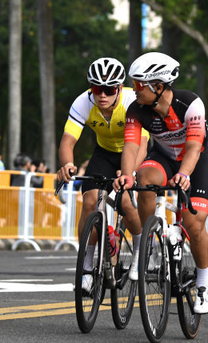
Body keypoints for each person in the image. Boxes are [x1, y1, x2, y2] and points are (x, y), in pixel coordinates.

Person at [113, 52, 208, 314]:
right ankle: (151, 240)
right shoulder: (136, 109)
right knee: (144, 180)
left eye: (138, 85)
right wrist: (126, 175)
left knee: (194, 223)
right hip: (164, 157)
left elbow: (193, 147)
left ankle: (203, 283)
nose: (133, 90)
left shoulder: (191, 104)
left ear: (158, 87)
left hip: (194, 161)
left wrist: (185, 174)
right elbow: (131, 146)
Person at [56, 57, 148, 294]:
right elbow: (68, 140)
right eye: (97, 89)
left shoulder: (132, 101)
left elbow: (143, 143)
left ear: (119, 88)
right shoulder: (83, 103)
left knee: (126, 202)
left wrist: (130, 172)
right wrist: (67, 164)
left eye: (109, 90)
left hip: (134, 149)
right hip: (105, 153)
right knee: (89, 200)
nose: (102, 95)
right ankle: (86, 269)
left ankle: (139, 252)